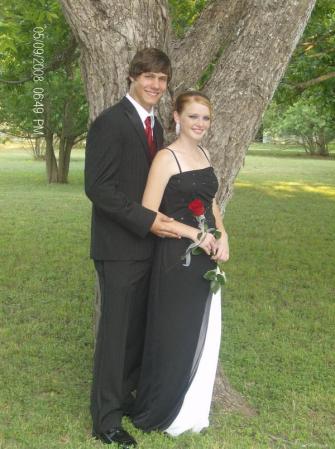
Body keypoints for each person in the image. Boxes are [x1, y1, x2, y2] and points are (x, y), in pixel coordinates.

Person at [85, 48, 179, 448]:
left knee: (135, 333)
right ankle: (105, 421)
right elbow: (98, 188)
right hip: (119, 247)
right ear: (131, 77)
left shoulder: (155, 126)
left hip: (147, 248)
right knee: (116, 335)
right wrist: (147, 221)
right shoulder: (110, 122)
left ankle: (123, 400)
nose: (155, 85)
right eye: (148, 77)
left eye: (161, 79)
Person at [131, 91, 229, 435]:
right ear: (176, 117)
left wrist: (223, 236)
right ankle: (165, 411)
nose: (200, 124)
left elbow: (211, 202)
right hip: (176, 259)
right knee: (174, 334)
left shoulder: (204, 153)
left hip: (207, 260)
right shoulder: (166, 158)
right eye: (193, 117)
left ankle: (192, 409)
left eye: (205, 118)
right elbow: (147, 213)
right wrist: (193, 234)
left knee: (201, 331)